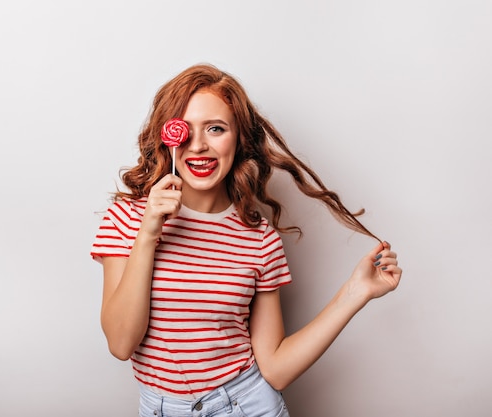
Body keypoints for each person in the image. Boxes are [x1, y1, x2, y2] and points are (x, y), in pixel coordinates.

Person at [90, 64, 402, 417]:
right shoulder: (126, 219)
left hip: (245, 406)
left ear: (239, 139)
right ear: (168, 136)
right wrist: (148, 234)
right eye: (186, 130)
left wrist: (354, 294)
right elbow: (120, 343)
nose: (199, 146)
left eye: (216, 129)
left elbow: (276, 369)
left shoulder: (259, 240)